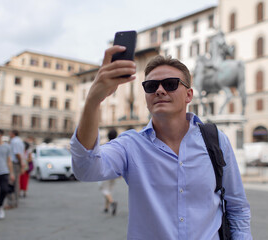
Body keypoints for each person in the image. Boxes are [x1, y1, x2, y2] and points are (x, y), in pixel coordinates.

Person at [70, 46, 252, 239]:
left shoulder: (216, 140)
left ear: (189, 95)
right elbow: (85, 168)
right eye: (151, 86)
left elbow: (237, 206)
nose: (159, 90)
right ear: (147, 97)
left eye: (170, 84)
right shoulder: (130, 145)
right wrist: (93, 100)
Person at [99, 129, 118, 215]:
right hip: (115, 172)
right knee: (109, 189)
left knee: (104, 189)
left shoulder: (105, 146)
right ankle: (106, 207)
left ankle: (112, 202)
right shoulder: (117, 146)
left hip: (106, 171)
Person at [6, 130, 25, 209]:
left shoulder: (14, 141)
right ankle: (15, 202)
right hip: (17, 163)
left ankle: (12, 202)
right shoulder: (19, 141)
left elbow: (17, 153)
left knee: (11, 183)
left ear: (13, 134)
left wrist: (21, 164)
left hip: (14, 163)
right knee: (16, 183)